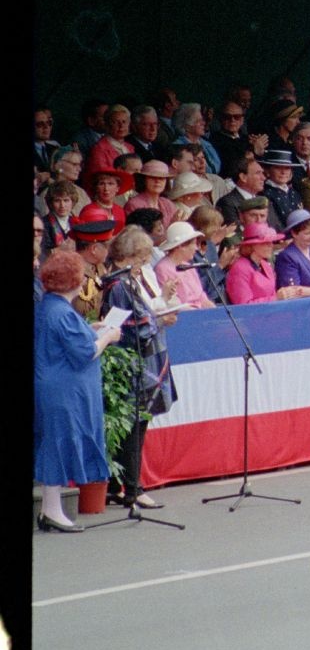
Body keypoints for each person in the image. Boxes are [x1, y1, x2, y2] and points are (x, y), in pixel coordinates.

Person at [34, 250, 123, 532]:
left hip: (55, 387)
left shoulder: (50, 307)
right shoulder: (61, 312)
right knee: (58, 446)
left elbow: (69, 340)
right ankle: (51, 510)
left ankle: (52, 509)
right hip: (63, 391)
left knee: (54, 444)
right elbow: (85, 353)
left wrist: (91, 328)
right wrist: (108, 335)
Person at [99, 226, 178, 509]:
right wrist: (160, 320)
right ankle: (132, 487)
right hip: (133, 364)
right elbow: (135, 326)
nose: (144, 264)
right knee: (133, 426)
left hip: (143, 362)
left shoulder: (126, 282)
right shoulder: (119, 285)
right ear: (131, 255)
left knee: (138, 425)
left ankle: (125, 484)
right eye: (143, 258)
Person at [154, 221, 216, 309]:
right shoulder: (162, 269)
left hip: (201, 313)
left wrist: (214, 311)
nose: (196, 248)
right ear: (181, 246)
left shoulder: (189, 266)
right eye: (194, 244)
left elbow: (201, 297)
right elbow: (172, 303)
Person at [225, 222, 288, 304]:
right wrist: (276, 298)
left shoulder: (265, 265)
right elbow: (243, 305)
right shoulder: (239, 269)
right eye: (266, 242)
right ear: (252, 245)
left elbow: (272, 293)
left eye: (271, 242)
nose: (271, 245)